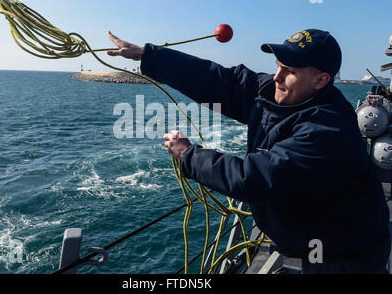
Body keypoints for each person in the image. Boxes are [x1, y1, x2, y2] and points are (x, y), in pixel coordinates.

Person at [107, 29, 391, 274]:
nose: (277, 77)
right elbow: (218, 81)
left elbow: (254, 178)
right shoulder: (278, 90)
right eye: (278, 65)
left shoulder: (327, 129)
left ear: (320, 81)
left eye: (289, 71)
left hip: (344, 257)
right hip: (313, 241)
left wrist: (189, 155)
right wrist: (148, 55)